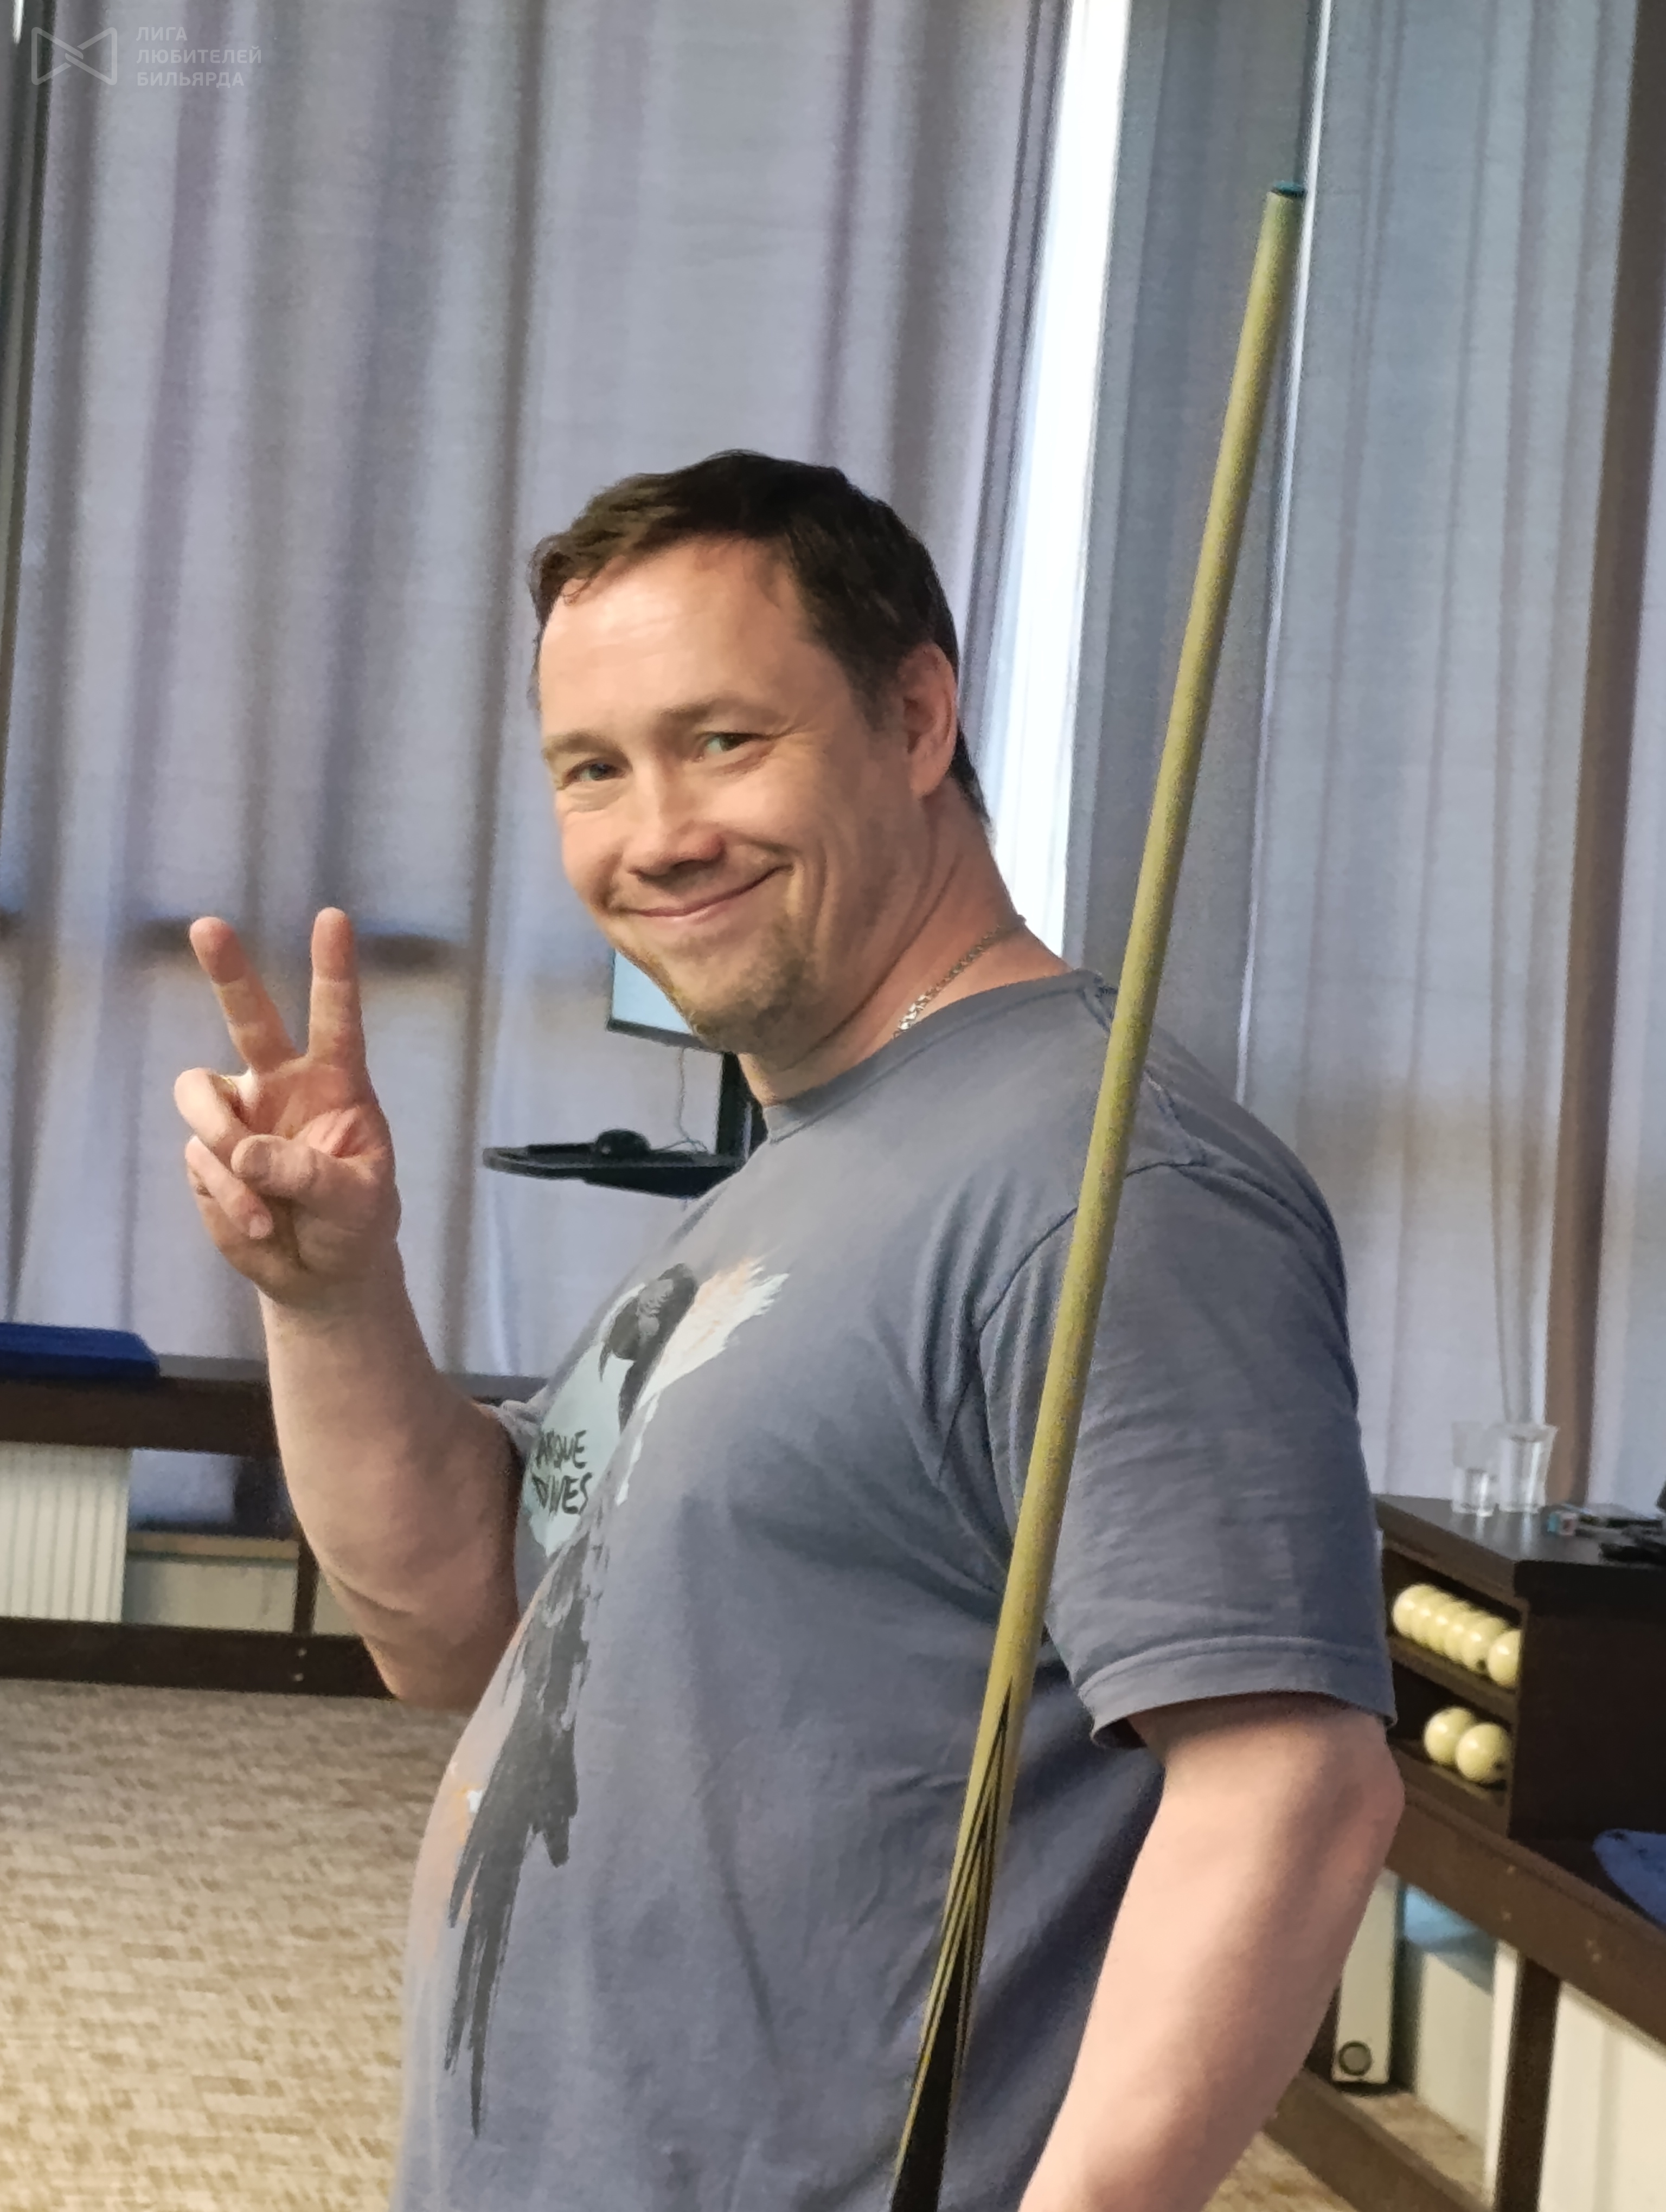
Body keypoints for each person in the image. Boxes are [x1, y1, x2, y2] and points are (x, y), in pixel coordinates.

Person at [174, 451, 1400, 2212]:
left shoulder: (1109, 1188)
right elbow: (461, 1628)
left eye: (724, 740)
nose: (656, 831)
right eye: (594, 768)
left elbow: (1293, 1787)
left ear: (915, 719)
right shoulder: (812, 1156)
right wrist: (328, 1294)